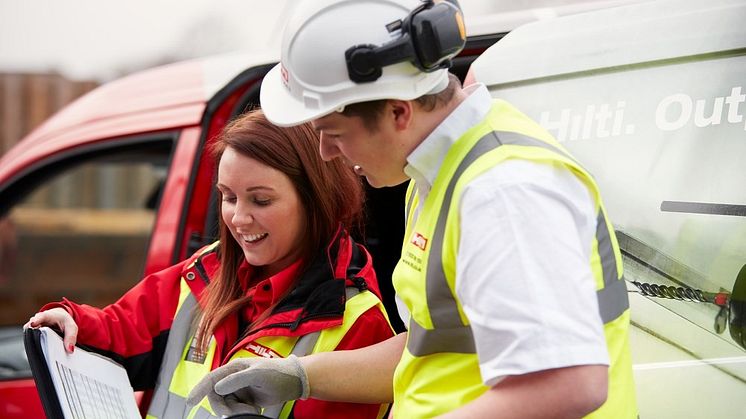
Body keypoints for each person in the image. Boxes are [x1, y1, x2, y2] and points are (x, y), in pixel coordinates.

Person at [189, 0, 638, 418]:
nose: (325, 152)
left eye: (335, 131)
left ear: (399, 113)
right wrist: (304, 376)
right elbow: (430, 348)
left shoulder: (500, 192)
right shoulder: (436, 175)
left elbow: (570, 383)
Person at [24, 109, 394, 419]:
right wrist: (71, 321)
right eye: (228, 197)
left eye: (261, 201)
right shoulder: (204, 270)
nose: (238, 219)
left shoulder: (359, 321)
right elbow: (118, 330)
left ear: (316, 200)